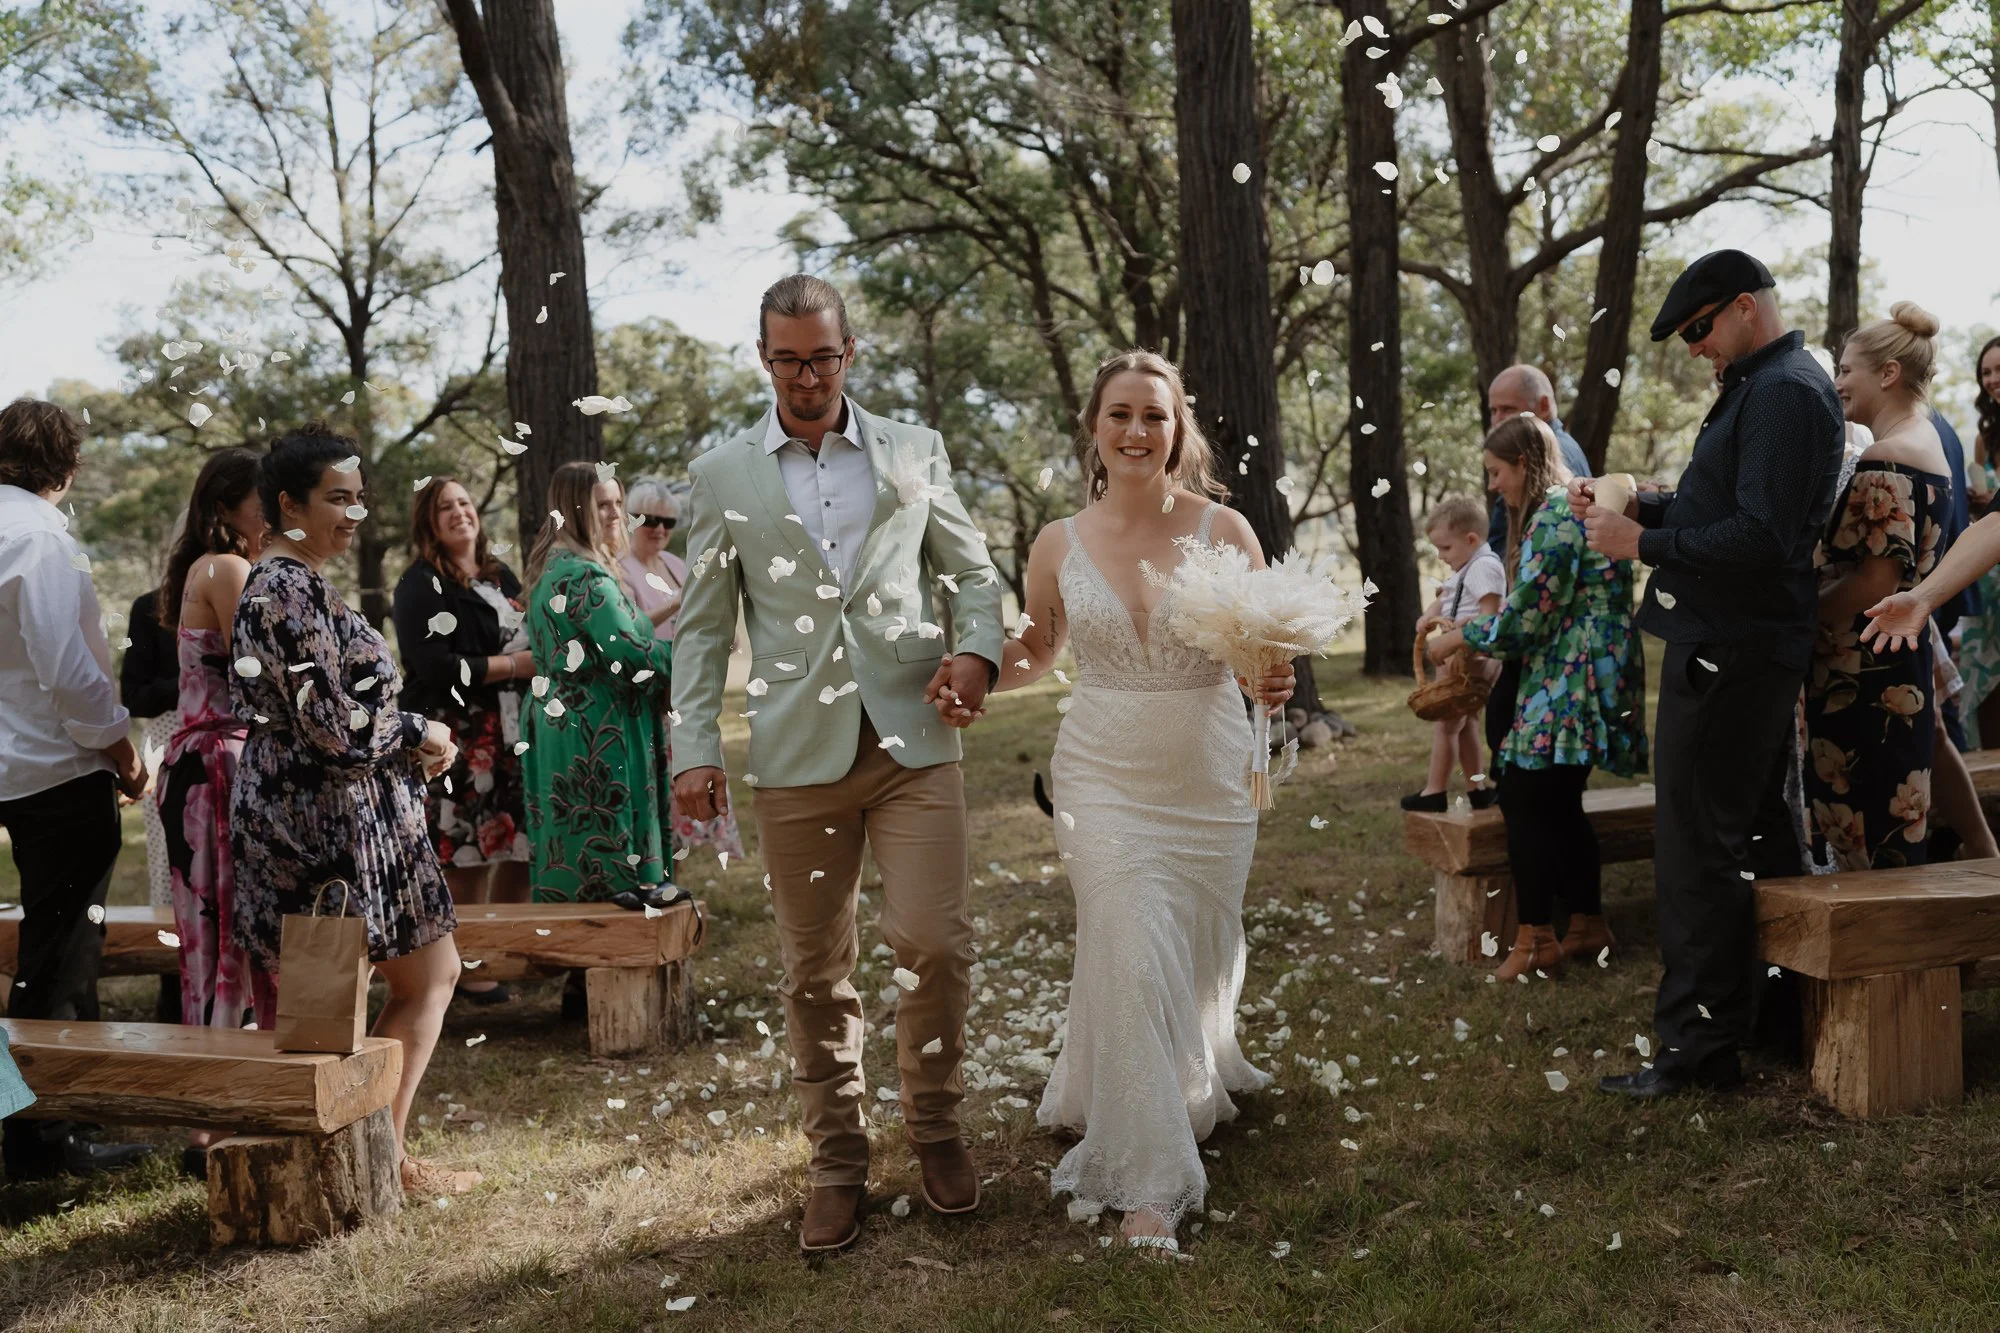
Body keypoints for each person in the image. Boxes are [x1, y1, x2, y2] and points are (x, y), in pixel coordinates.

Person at [671, 274, 1002, 1254]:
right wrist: (695, 746)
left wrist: (975, 652)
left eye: (822, 355)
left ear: (850, 352)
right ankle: (836, 1158)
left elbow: (971, 573)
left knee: (934, 942)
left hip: (912, 739)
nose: (806, 375)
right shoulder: (722, 474)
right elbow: (699, 627)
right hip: (794, 756)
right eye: (786, 358)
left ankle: (934, 1124)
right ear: (762, 358)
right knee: (814, 969)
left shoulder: (914, 451)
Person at [983, 350, 1292, 1253]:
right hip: (1102, 772)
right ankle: (1154, 1181)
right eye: (1120, 413)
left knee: (1183, 951)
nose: (1136, 431)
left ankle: (1145, 1080)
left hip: (1206, 772)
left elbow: (1258, 653)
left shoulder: (1226, 529)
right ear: (1094, 425)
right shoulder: (1055, 542)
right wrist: (963, 670)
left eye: (1154, 416)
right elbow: (1039, 651)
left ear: (1178, 428)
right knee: (1123, 933)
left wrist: (1271, 677)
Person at [1580, 251, 1843, 1100]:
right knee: (1749, 835)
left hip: (1733, 647)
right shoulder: (1765, 384)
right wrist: (1640, 506)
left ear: (1742, 308)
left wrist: (1642, 544)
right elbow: (1724, 509)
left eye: (1698, 330)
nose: (1695, 349)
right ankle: (1759, 1020)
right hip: (1733, 641)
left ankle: (1697, 1055)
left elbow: (1764, 539)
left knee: (1697, 849)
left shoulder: (1783, 393)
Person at [229, 424, 476, 1196]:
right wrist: (419, 728)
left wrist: (407, 746)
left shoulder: (304, 580)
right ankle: (354, 1174)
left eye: (359, 499)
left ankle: (384, 1158)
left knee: (429, 973)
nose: (354, 515)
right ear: (285, 504)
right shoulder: (281, 589)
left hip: (358, 812)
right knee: (335, 1007)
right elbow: (332, 724)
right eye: (337, 499)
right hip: (313, 823)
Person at [1427, 417, 1646, 981]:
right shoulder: (1572, 505)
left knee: (1525, 799)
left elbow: (1524, 619)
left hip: (1570, 677)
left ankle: (1535, 939)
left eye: (1497, 472)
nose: (1494, 485)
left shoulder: (1554, 514)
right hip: (1587, 670)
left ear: (1523, 463)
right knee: (1558, 801)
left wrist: (1456, 636)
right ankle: (1588, 924)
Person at [0, 397, 155, 1180]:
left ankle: (42, 1124)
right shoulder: (39, 540)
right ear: (68, 466)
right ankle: (46, 1146)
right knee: (58, 960)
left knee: (40, 956)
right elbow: (69, 672)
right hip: (51, 770)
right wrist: (122, 753)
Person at [1804, 305, 1951, 869]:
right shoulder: (1929, 442)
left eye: (1846, 370)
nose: (1837, 383)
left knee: (1865, 843)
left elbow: (1872, 583)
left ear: (1887, 374)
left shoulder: (1885, 457)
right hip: (1896, 667)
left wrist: (1797, 612)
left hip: (1863, 681)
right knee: (1894, 837)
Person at [392, 477, 535, 1006]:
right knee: (467, 855)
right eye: (444, 507)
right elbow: (433, 668)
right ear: (428, 522)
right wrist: (514, 666)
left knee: (518, 848)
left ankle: (501, 954)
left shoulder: (500, 576)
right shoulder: (419, 583)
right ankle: (467, 968)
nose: (458, 513)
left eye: (465, 503)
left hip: (514, 732)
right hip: (460, 735)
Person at [520, 462, 678, 905]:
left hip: (561, 716)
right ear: (574, 509)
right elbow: (631, 651)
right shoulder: (584, 574)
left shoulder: (557, 562)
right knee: (602, 852)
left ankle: (578, 956)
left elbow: (617, 632)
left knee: (568, 840)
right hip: (593, 723)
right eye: (601, 504)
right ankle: (602, 951)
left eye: (618, 504)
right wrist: (693, 660)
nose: (614, 514)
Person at [156, 449, 268, 1035]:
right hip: (220, 765)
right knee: (231, 933)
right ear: (226, 507)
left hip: (198, 761)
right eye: (262, 503)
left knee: (209, 936)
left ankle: (216, 1084)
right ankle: (226, 1083)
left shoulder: (205, 566)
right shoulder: (228, 568)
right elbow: (263, 674)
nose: (273, 514)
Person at [616, 477, 746, 862]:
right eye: (649, 519)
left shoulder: (675, 564)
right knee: (658, 800)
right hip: (651, 699)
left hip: (687, 698)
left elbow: (710, 620)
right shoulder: (621, 568)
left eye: (667, 523)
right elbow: (631, 626)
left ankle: (680, 881)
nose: (658, 529)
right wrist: (678, 602)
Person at [1481, 365, 1592, 782]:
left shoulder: (1559, 467)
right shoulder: (1537, 458)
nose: (1497, 420)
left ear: (1543, 407)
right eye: (1493, 411)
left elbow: (1541, 579)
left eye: (1506, 409)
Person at [1401, 495, 1504, 813]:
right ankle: (1477, 787)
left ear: (1471, 539)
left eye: (1446, 548)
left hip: (1469, 657)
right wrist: (1427, 616)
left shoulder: (1484, 567)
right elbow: (1444, 597)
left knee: (1447, 724)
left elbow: (1490, 615)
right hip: (1457, 656)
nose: (1441, 556)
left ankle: (1435, 791)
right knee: (1465, 722)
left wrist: (1460, 628)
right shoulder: (1465, 567)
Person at [1952, 337, 2000, 745]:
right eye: (1987, 372)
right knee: (1986, 681)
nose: (1993, 379)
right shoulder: (1985, 438)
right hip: (1990, 573)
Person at [121, 584, 181, 913]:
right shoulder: (150, 607)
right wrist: (195, 680)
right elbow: (134, 696)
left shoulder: (251, 596)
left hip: (242, 748)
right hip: (169, 746)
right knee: (170, 863)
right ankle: (173, 962)